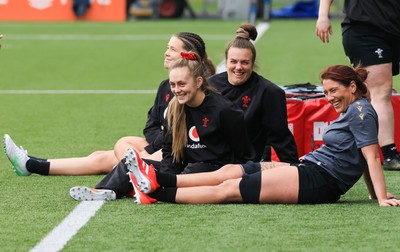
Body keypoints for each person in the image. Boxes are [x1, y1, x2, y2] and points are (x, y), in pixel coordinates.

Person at [127, 64, 400, 207]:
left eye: (333, 91)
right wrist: (375, 193)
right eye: (326, 92)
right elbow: (362, 158)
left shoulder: (362, 112)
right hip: (308, 167)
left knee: (229, 190)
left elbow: (370, 157)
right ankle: (156, 178)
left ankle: (156, 194)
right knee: (232, 171)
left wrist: (381, 197)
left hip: (319, 180)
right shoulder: (355, 110)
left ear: (352, 86)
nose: (328, 98)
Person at [3, 32, 215, 176]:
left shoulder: (193, 90)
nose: (166, 52)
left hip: (181, 151)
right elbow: (150, 126)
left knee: (113, 155)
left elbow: (193, 131)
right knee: (105, 154)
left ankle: (137, 174)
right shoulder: (164, 87)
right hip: (163, 146)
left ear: (188, 56)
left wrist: (157, 149)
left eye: (172, 49)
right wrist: (155, 145)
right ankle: (31, 164)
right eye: (167, 47)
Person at [69, 51, 256, 201]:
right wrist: (163, 174)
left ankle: (147, 189)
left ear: (199, 82)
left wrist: (231, 179)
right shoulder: (175, 108)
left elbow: (243, 154)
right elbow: (169, 152)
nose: (176, 90)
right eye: (173, 84)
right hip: (183, 167)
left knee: (191, 171)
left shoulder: (224, 110)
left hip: (213, 170)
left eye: (182, 84)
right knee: (131, 163)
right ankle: (105, 191)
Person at [316, 0, 400, 170]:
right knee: (380, 91)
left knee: (380, 91)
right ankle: (390, 154)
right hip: (365, 27)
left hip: (394, 27)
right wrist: (323, 15)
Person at [209, 23, 298, 162]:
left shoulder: (268, 92)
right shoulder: (210, 86)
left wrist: (294, 170)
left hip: (244, 166)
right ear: (226, 61)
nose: (238, 67)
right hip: (208, 160)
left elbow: (281, 139)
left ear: (253, 63)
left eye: (245, 62)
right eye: (233, 61)